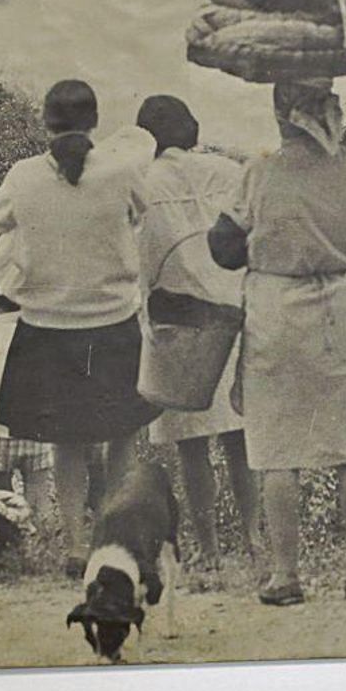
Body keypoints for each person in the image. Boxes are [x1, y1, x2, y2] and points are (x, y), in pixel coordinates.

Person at [207, 78, 346, 606]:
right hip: (345, 308)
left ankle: (286, 575)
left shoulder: (260, 171)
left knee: (278, 448)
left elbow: (222, 246)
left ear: (284, 115)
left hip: (279, 310)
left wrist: (267, 243)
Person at [0, 79, 161, 580]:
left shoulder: (22, 177)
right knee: (123, 434)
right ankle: (115, 536)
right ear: (94, 121)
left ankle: (77, 544)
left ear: (45, 123)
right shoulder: (122, 170)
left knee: (66, 440)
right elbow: (141, 212)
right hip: (112, 320)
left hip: (47, 325)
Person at [131, 96, 260, 570]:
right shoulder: (226, 174)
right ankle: (253, 539)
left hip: (175, 321)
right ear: (194, 129)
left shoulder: (142, 183)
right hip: (232, 314)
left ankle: (208, 548)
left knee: (192, 443)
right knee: (239, 437)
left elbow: (138, 258)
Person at [0, 289, 56, 528]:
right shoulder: (46, 337)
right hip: (37, 431)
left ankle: (7, 533)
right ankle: (41, 534)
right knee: (39, 495)